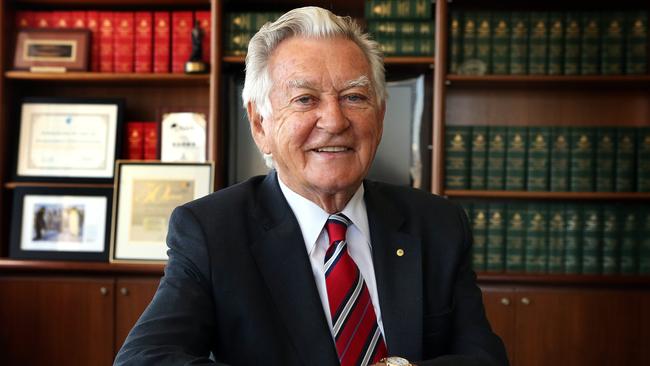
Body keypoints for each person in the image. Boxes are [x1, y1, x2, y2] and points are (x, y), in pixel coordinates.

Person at [115, 7, 508, 366]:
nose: (335, 121)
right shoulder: (212, 231)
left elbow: (484, 360)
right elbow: (143, 359)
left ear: (380, 116)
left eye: (354, 97)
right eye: (305, 99)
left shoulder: (438, 223)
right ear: (259, 125)